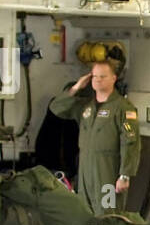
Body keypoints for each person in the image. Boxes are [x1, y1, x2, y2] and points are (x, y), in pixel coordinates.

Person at [49, 47, 141, 216]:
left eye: (103, 76)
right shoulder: (86, 107)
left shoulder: (123, 108)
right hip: (85, 168)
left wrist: (125, 175)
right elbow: (56, 108)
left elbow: (130, 143)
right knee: (85, 215)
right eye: (95, 76)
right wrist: (76, 87)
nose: (98, 80)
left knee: (108, 215)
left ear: (114, 78)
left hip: (107, 170)